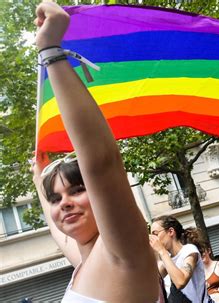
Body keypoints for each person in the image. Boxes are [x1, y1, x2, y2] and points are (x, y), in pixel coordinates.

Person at [31, 2, 160, 302]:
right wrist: (40, 183)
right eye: (56, 198)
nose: (64, 204)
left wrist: (50, 52)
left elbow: (102, 163)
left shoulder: (122, 253)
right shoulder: (83, 263)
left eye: (77, 190)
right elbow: (56, 230)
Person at [150, 216, 209, 303]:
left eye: (155, 234)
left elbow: (181, 281)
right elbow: (150, 284)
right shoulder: (167, 259)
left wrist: (162, 251)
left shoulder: (189, 250)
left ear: (170, 231)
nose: (154, 239)